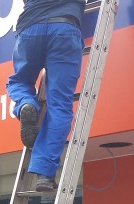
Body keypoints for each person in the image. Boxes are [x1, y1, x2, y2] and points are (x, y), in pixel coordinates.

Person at [5, 0, 87, 192]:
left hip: (30, 28)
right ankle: (44, 174)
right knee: (59, 106)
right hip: (64, 27)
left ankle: (27, 103)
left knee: (19, 82)